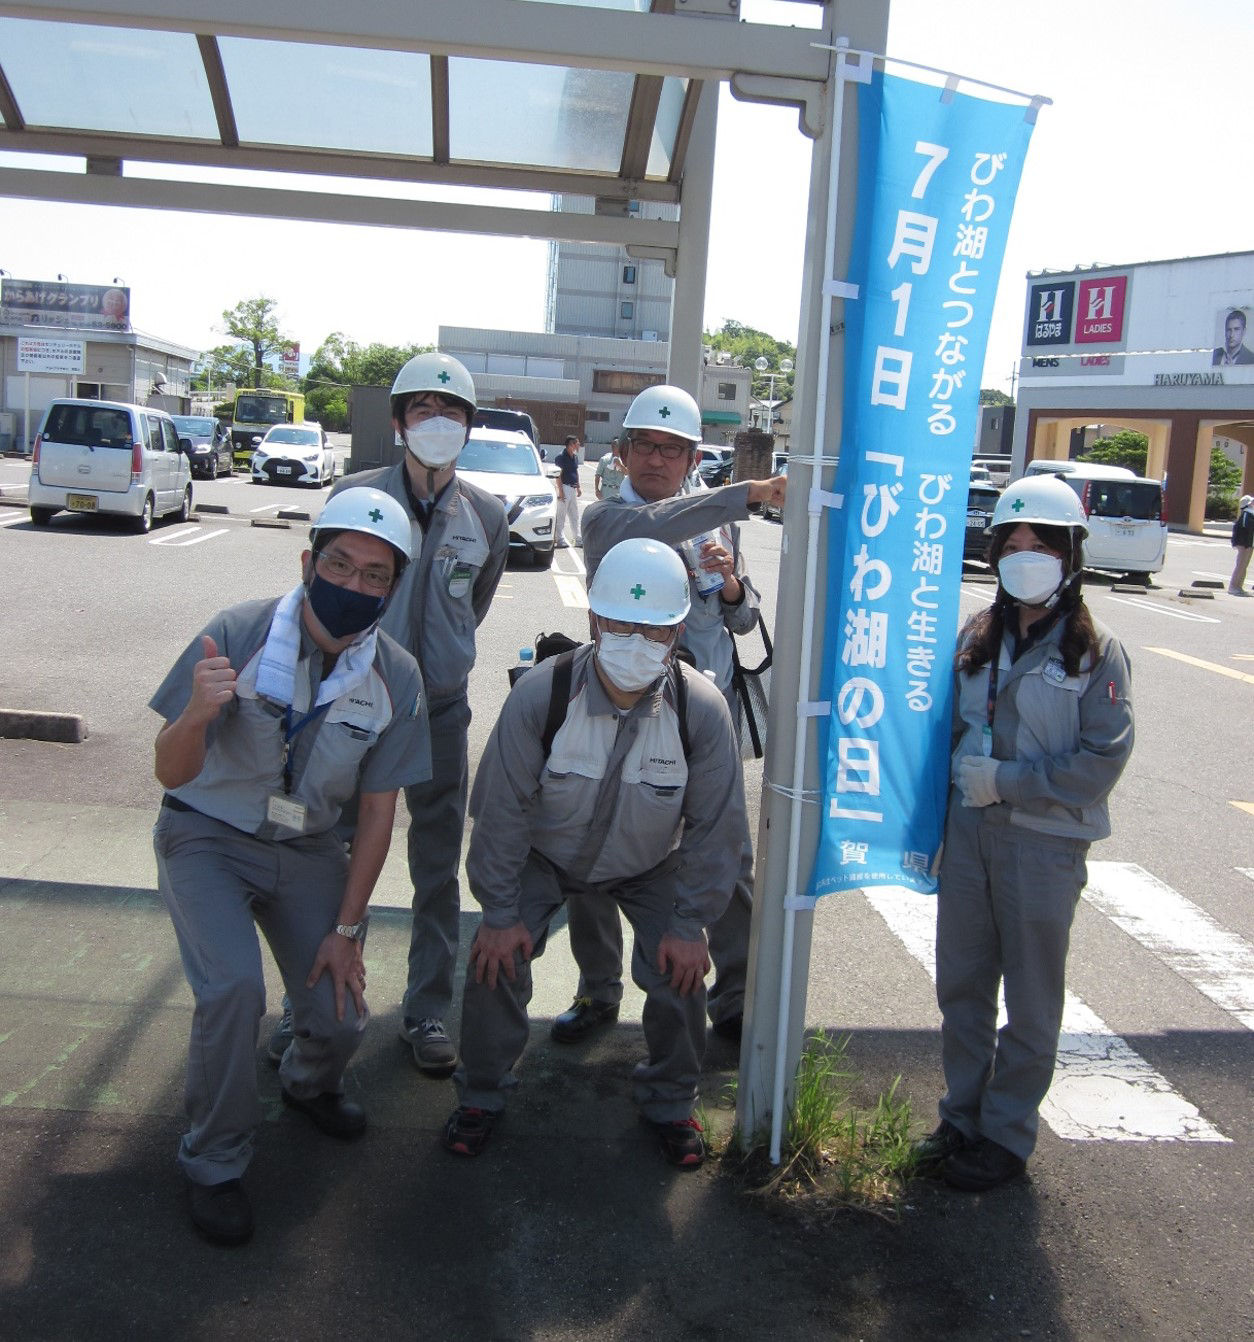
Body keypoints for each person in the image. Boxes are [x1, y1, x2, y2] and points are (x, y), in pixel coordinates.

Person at [150, 488, 429, 1246]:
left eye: (376, 575)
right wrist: (199, 714)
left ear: (393, 588)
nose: (354, 585)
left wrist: (348, 927)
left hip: (308, 849)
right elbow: (170, 774)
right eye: (340, 564)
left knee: (340, 1016)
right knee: (235, 991)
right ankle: (212, 1162)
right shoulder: (236, 633)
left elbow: (377, 814)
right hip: (206, 834)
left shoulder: (395, 677)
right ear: (309, 563)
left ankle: (308, 1086)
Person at [442, 539, 746, 1167]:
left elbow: (718, 831)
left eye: (654, 628)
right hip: (545, 857)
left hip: (650, 863)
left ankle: (670, 1100)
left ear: (679, 628)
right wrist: (498, 914)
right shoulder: (542, 695)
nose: (635, 640)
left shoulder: (702, 709)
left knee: (683, 971)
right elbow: (499, 813)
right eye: (618, 623)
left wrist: (692, 925)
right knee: (492, 958)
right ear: (592, 621)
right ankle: (481, 1093)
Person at [912, 474, 1134, 1192]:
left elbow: (1102, 759)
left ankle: (1007, 1136)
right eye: (1013, 543)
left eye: (1042, 543)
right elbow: (941, 728)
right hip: (970, 837)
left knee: (1032, 998)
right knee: (963, 987)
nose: (1025, 555)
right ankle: (961, 1117)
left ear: (1071, 555)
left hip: (1043, 843)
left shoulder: (1096, 651)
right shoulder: (977, 634)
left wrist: (1007, 781)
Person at [551, 385, 785, 1047]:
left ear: (690, 459)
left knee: (729, 862)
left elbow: (742, 619)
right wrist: (755, 491)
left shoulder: (719, 523)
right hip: (620, 713)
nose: (658, 458)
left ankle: (735, 999)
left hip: (702, 720)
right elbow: (657, 529)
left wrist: (734, 583)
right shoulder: (605, 520)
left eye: (673, 449)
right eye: (647, 446)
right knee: (587, 854)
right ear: (622, 454)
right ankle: (598, 992)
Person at [306, 352, 508, 1078]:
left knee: (435, 866)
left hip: (441, 712)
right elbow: (325, 591)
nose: (437, 423)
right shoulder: (355, 495)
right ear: (397, 422)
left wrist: (444, 660)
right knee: (324, 853)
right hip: (353, 704)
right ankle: (312, 1011)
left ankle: (425, 1010)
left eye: (452, 412)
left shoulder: (486, 511)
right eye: (422, 409)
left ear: (468, 428)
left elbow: (475, 600)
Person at [554, 434, 583, 547]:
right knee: (561, 514)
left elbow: (575, 472)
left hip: (572, 488)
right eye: (577, 443)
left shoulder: (574, 457)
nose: (579, 445)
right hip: (564, 487)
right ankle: (559, 539)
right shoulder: (561, 457)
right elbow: (558, 476)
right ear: (571, 444)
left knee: (574, 515)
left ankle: (578, 538)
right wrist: (561, 491)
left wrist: (578, 487)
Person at [1230, 493, 1254, 595]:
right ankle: (1233, 587)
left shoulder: (1249, 514)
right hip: (1245, 544)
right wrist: (1247, 545)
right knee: (1241, 565)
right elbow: (1244, 530)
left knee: (1243, 566)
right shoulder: (1246, 515)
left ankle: (1239, 587)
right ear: (1248, 504)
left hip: (1248, 544)